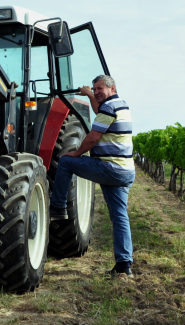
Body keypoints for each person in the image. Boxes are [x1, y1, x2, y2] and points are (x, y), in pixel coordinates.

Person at [49, 74, 135, 279]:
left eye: (100, 89)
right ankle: (124, 265)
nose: (97, 92)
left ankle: (58, 207)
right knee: (120, 217)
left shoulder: (109, 107)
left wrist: (77, 153)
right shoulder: (119, 104)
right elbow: (99, 112)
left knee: (66, 162)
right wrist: (89, 95)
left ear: (112, 88)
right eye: (94, 89)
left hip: (110, 168)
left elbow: (93, 137)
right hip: (125, 171)